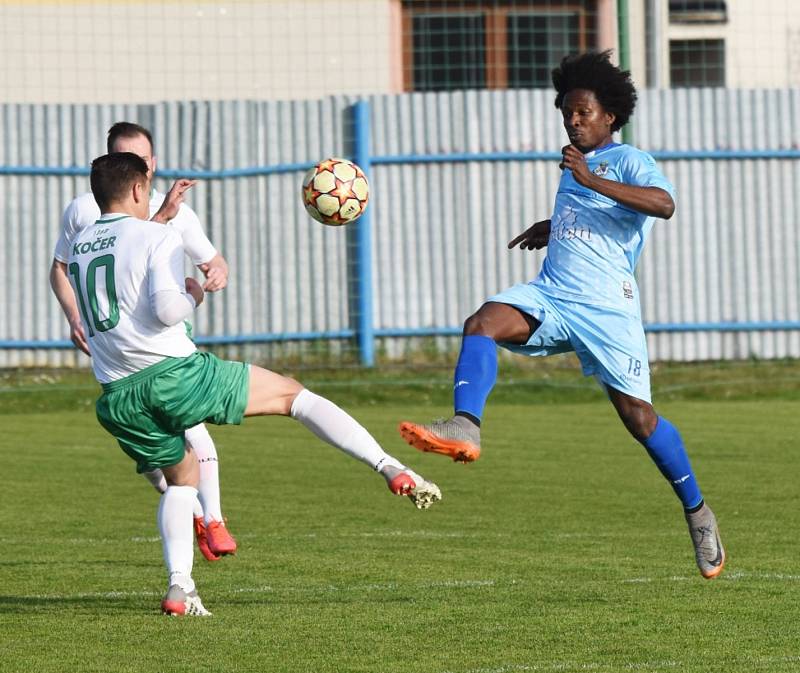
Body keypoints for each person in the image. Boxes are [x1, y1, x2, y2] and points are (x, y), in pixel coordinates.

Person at [67, 152, 442, 616]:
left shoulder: (81, 244)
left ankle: (180, 586)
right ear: (140, 189)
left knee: (182, 478)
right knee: (292, 394)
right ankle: (389, 466)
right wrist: (195, 293)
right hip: (174, 376)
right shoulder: (155, 236)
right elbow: (168, 311)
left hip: (118, 396)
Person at [397, 51, 724, 580]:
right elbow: (599, 219)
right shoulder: (575, 165)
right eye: (567, 113)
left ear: (609, 117)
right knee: (481, 322)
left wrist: (590, 180)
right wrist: (555, 225)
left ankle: (698, 514)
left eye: (583, 113)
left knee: (640, 421)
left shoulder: (627, 160)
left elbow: (662, 204)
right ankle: (466, 425)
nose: (572, 121)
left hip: (608, 311)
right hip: (553, 296)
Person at [49, 122, 234, 562]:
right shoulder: (83, 211)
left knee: (194, 430)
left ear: (153, 162)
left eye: (145, 156)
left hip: (165, 342)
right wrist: (75, 315)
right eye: (128, 155)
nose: (142, 164)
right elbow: (61, 267)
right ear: (115, 162)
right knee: (157, 462)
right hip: (116, 350)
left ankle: (214, 519)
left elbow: (212, 259)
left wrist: (216, 272)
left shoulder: (180, 214)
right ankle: (188, 507)